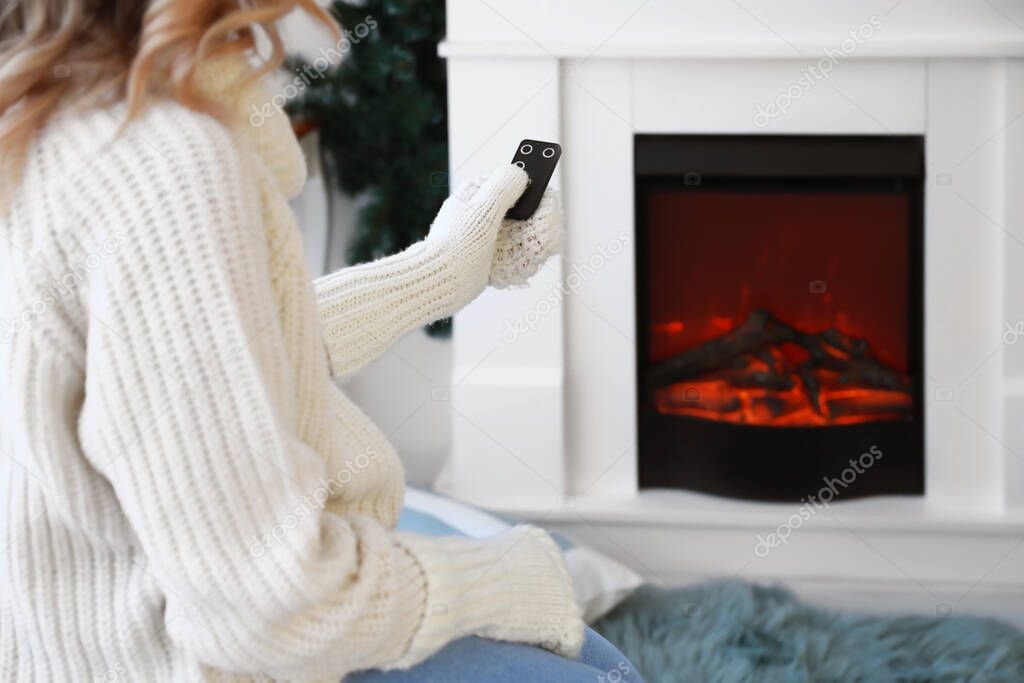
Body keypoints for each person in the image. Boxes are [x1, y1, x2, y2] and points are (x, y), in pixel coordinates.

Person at [0, 1, 643, 681]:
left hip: (82, 640)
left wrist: (440, 270)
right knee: (606, 673)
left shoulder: (49, 111)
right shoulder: (161, 161)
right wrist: (507, 577)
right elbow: (268, 604)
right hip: (197, 656)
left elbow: (204, 366)